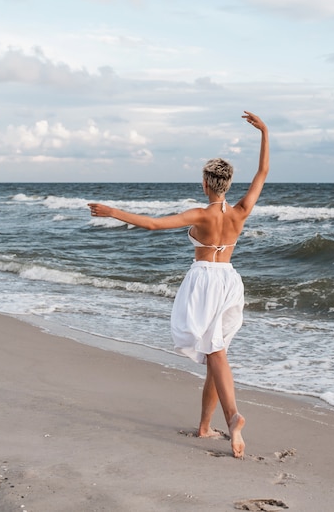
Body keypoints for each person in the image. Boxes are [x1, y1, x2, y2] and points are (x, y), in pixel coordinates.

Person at [88, 110, 269, 458]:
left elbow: (154, 225)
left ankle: (232, 417)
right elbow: (263, 172)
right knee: (216, 352)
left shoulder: (199, 214)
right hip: (230, 280)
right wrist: (264, 132)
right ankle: (205, 426)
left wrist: (114, 212)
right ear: (228, 185)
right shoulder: (241, 211)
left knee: (213, 350)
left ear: (205, 184)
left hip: (203, 281)